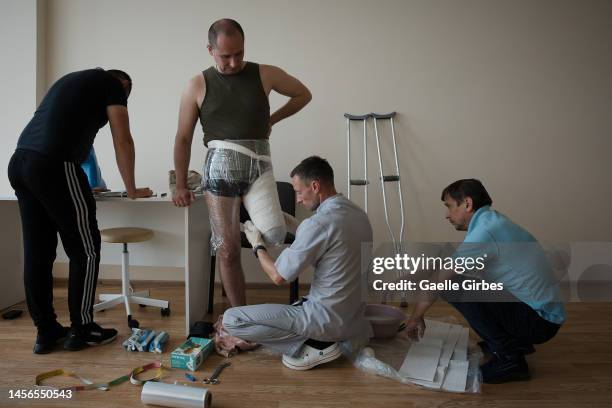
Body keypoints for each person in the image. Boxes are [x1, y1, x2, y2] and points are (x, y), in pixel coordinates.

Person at [8, 68, 152, 354]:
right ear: (123, 86)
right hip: (53, 166)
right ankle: (83, 328)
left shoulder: (72, 82)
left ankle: (46, 332)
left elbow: (62, 132)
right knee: (85, 250)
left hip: (21, 162)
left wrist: (78, 186)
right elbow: (122, 139)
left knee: (38, 253)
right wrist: (132, 188)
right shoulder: (113, 85)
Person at [172, 18, 312, 307]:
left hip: (258, 165)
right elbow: (183, 138)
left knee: (274, 234)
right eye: (226, 56)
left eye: (239, 53)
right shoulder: (196, 85)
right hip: (219, 171)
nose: (234, 62)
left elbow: (303, 94)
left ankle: (248, 221)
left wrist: (271, 119)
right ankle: (241, 318)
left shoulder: (265, 73)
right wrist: (181, 185)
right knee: (227, 249)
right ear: (210, 50)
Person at [405, 179, 565, 383]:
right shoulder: (493, 222)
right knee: (458, 274)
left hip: (538, 321)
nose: (446, 214)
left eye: (449, 206)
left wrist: (416, 317)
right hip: (541, 313)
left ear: (467, 204)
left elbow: (440, 279)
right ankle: (514, 342)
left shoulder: (484, 233)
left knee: (451, 284)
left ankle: (510, 358)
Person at [222, 156, 373, 370]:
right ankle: (322, 338)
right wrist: (285, 220)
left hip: (324, 320)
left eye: (299, 192)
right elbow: (322, 233)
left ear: (315, 186)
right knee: (290, 309)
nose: (299, 199)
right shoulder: (358, 214)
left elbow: (278, 276)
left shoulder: (318, 224)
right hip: (353, 318)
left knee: (231, 319)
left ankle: (313, 344)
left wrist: (257, 245)